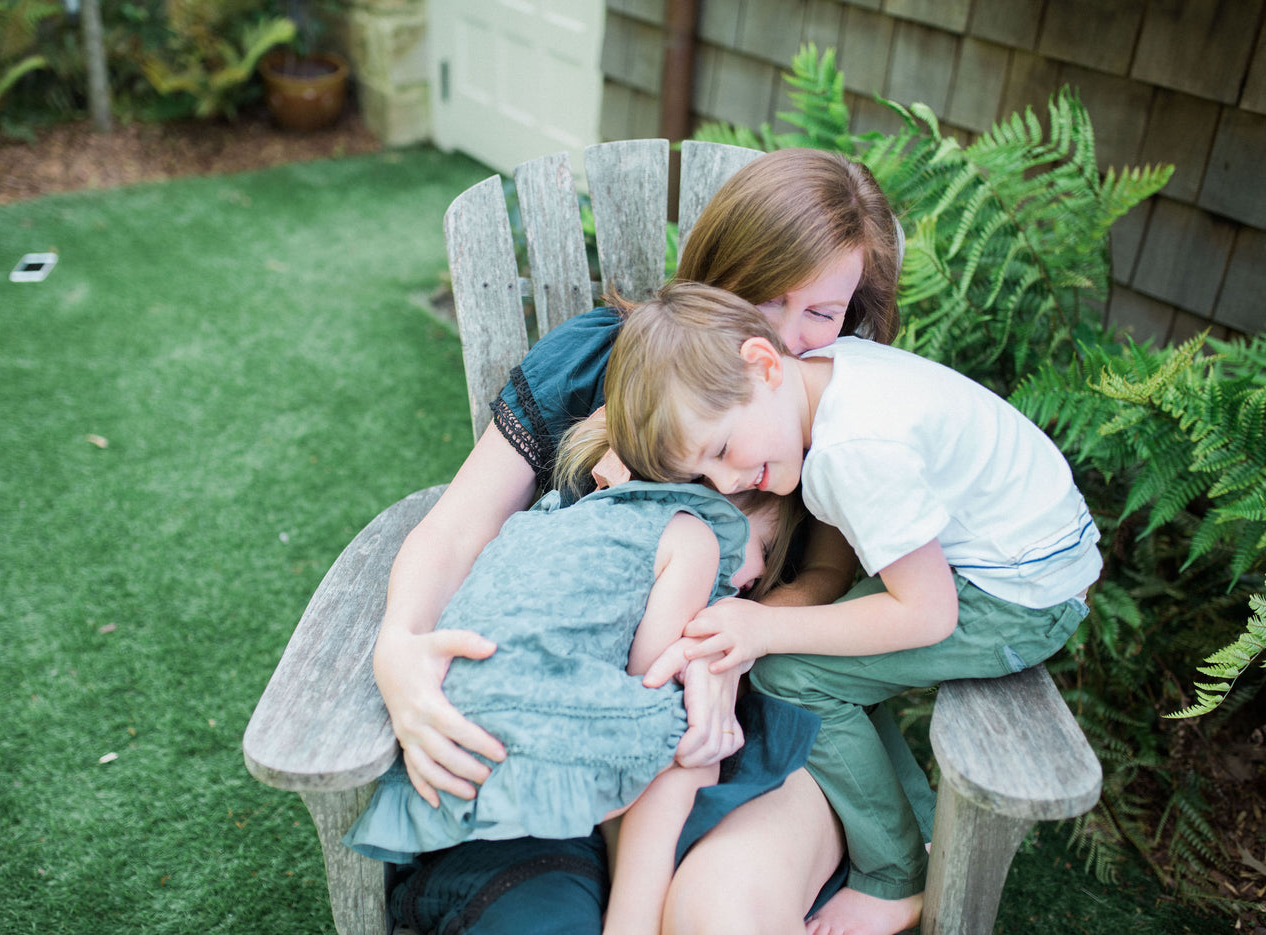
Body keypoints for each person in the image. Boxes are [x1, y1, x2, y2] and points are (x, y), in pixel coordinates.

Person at [369, 148, 906, 934]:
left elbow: (829, 572)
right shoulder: (601, 359)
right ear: (716, 270)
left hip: (755, 723)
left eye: (821, 313)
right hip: (559, 714)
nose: (785, 339)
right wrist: (397, 643)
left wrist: (735, 641)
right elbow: (458, 524)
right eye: (763, 295)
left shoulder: (839, 411)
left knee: (723, 917)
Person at [600, 281, 1102, 935]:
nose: (726, 484)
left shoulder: (851, 452)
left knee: (793, 672)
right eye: (706, 474)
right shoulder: (832, 374)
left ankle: (895, 874)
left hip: (1020, 593)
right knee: (815, 661)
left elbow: (928, 616)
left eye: (722, 450)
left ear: (764, 363)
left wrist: (766, 624)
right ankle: (913, 827)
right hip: (1021, 554)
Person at [345, 474, 802, 935]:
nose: (752, 584)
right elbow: (650, 687)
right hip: (523, 771)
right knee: (693, 742)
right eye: (763, 549)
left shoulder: (551, 517)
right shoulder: (696, 538)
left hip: (445, 770)